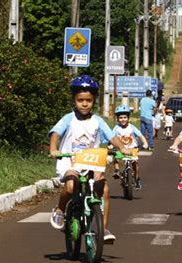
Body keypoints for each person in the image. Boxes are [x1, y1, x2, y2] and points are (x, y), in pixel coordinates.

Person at [49, 75, 129, 242]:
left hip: (92, 162)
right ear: (74, 100)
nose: (84, 104)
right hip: (70, 161)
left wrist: (122, 147)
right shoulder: (68, 119)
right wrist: (54, 149)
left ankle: (104, 229)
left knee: (104, 190)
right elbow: (56, 134)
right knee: (71, 187)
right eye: (80, 100)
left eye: (88, 100)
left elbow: (112, 137)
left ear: (94, 101)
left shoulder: (98, 121)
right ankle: (60, 209)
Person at [111, 105, 149, 190]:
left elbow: (140, 136)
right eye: (120, 118)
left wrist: (145, 143)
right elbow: (111, 137)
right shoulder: (116, 128)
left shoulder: (132, 127)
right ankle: (117, 171)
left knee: (135, 164)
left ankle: (136, 178)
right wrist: (110, 144)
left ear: (128, 118)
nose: (123, 119)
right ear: (117, 119)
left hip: (132, 148)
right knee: (115, 156)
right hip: (121, 149)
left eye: (125, 117)